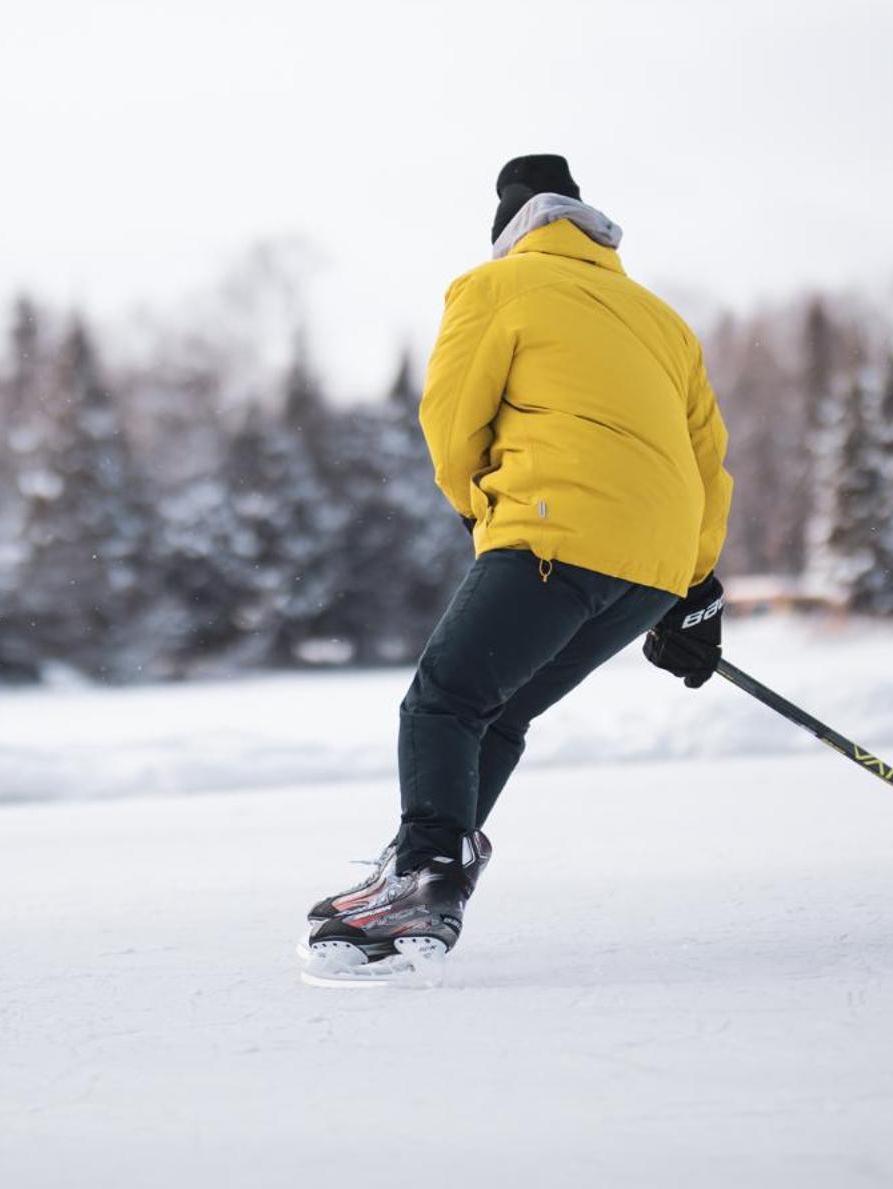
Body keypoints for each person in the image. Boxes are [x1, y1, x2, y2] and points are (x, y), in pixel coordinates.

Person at [301, 154, 734, 981]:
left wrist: (479, 509)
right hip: (654, 565)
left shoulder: (494, 287)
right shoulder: (662, 319)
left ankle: (426, 876)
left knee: (444, 697)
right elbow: (708, 460)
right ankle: (424, 868)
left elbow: (450, 419)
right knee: (493, 713)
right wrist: (693, 587)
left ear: (509, 233)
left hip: (549, 533)